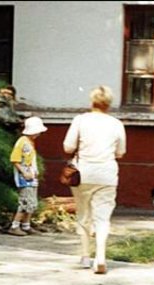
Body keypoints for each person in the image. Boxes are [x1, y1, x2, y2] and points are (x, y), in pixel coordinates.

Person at [62, 85, 126, 275]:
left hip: (83, 173)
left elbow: (68, 147)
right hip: (107, 174)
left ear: (92, 101)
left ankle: (84, 256)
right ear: (109, 103)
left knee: (83, 214)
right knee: (102, 218)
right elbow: (121, 152)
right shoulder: (116, 124)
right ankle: (100, 257)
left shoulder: (80, 120)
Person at [7, 116, 48, 236]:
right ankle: (14, 226)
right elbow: (15, 159)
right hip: (24, 177)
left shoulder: (30, 142)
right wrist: (24, 172)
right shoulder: (22, 142)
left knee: (32, 201)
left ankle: (26, 225)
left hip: (31, 176)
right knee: (25, 201)